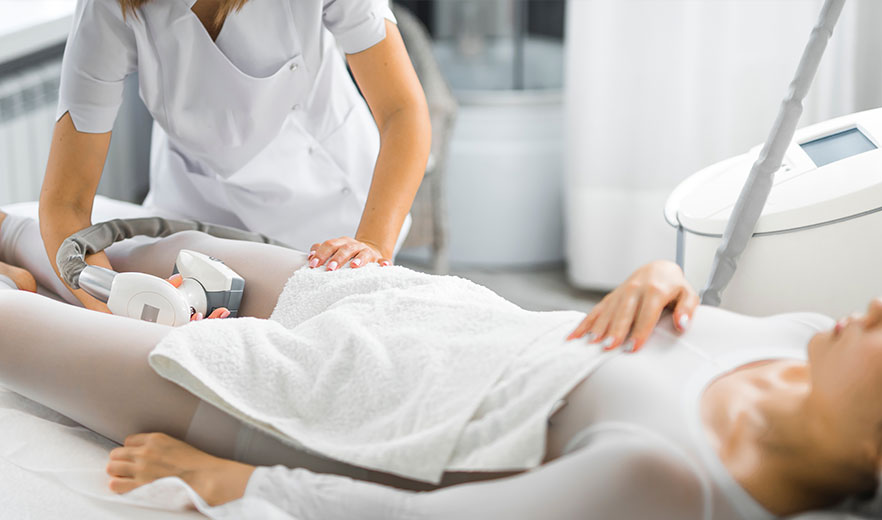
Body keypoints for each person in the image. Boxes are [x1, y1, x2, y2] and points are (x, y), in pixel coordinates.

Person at [0, 210, 877, 520]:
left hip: (307, 398)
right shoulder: (802, 338)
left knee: (16, 332)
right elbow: (673, 324)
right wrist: (662, 274)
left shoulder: (672, 480)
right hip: (423, 311)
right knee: (163, 246)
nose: (871, 309)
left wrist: (233, 482)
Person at [40, 0, 431, 313]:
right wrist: (118, 315)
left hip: (335, 217)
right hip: (194, 209)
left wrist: (373, 243)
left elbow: (402, 111)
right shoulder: (108, 8)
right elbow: (66, 203)